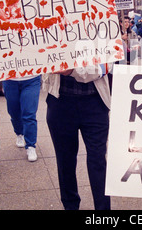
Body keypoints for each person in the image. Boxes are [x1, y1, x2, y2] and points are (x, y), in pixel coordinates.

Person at [43, 62, 113, 210]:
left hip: (95, 103)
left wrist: (71, 71)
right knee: (65, 161)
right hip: (60, 101)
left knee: (98, 160)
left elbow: (106, 67)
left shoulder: (104, 38)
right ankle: (70, 206)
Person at [2, 75, 41, 162]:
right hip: (10, 78)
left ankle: (31, 145)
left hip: (31, 78)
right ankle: (19, 133)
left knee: (29, 113)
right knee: (14, 112)